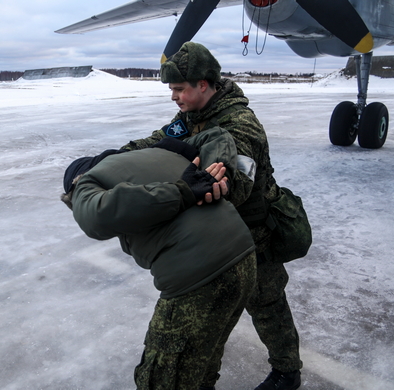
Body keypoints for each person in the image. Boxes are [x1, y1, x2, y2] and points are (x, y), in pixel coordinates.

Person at [120, 42, 303, 390]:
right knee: (214, 322)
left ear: (203, 84)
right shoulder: (190, 117)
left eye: (179, 88)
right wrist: (113, 158)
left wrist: (209, 183)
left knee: (268, 307)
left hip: (252, 235)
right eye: (171, 89)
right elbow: (159, 141)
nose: (174, 96)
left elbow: (236, 183)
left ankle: (287, 371)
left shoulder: (240, 123)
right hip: (216, 238)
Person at [62, 128, 257, 390]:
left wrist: (186, 190)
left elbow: (94, 217)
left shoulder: (86, 181)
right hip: (243, 255)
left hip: (198, 276)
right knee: (201, 364)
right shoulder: (156, 151)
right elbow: (219, 135)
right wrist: (215, 175)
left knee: (161, 379)